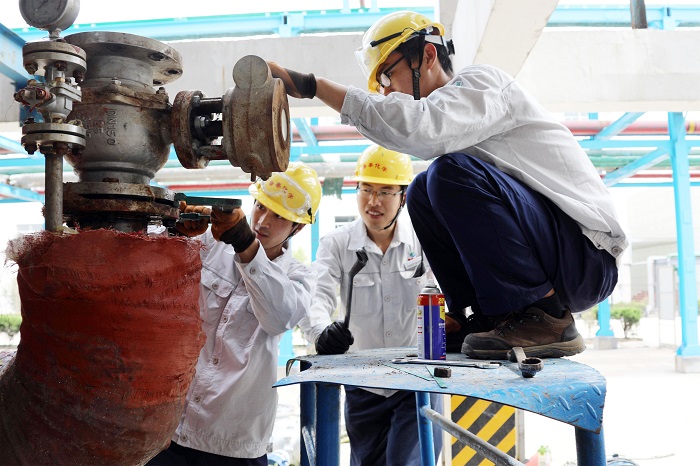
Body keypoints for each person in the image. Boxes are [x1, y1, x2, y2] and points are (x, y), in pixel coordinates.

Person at [267, 10, 626, 360]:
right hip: (556, 254)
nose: (389, 91)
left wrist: (312, 86)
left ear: (426, 55)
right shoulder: (459, 125)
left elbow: (420, 128)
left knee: (445, 173)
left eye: (390, 76)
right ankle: (482, 315)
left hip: (587, 256)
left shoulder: (484, 84)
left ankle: (545, 318)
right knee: (424, 189)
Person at [147, 162, 322, 465]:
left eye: (279, 216)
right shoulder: (210, 245)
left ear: (299, 227)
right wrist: (175, 228)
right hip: (171, 428)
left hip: (233, 441)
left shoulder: (298, 278)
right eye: (261, 207)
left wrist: (245, 244)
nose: (263, 221)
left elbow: (279, 317)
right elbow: (151, 265)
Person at [297, 144, 443, 466]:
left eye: (386, 191)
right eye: (367, 189)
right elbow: (314, 297)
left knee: (407, 461)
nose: (373, 201)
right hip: (363, 384)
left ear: (403, 196)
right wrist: (321, 332)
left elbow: (446, 291)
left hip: (418, 380)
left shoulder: (424, 240)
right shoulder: (337, 245)